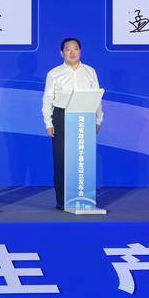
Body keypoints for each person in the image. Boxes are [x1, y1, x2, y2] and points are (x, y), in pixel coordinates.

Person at [43, 37, 103, 210]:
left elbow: (97, 96)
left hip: (85, 116)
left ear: (80, 51)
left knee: (83, 158)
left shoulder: (90, 71)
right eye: (68, 49)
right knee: (61, 159)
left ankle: (84, 197)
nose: (72, 52)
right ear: (62, 53)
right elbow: (48, 99)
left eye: (75, 48)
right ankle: (62, 200)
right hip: (62, 116)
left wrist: (98, 119)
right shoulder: (54, 73)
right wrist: (48, 122)